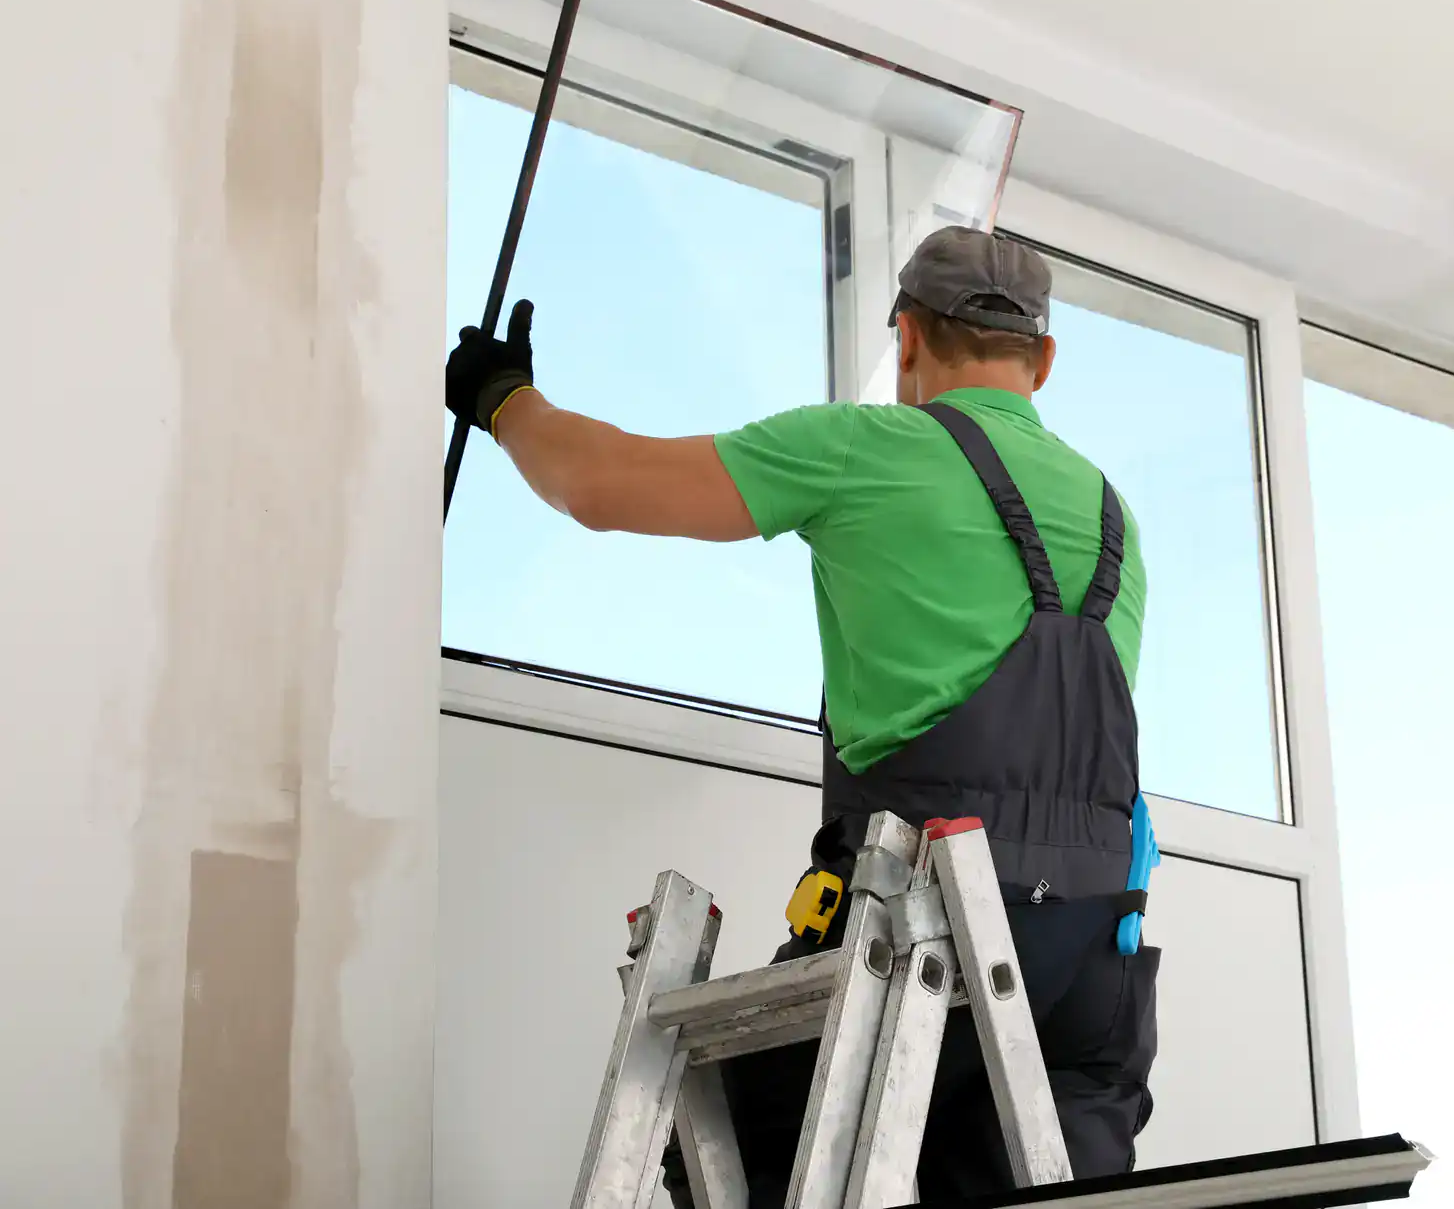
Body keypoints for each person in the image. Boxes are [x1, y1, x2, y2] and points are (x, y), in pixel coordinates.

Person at [445, 227, 1160, 1204]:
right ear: (1040, 357)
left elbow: (597, 484)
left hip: (928, 934)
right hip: (1090, 971)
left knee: (726, 1137)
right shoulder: (1111, 514)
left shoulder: (870, 447)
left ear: (906, 339)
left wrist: (501, 397)